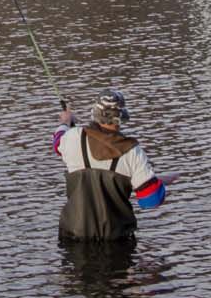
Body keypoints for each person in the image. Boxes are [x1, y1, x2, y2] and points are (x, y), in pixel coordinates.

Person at [51, 89, 166, 241]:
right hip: (116, 242)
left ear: (95, 113)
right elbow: (150, 200)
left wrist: (66, 121)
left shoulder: (73, 137)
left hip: (73, 238)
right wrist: (159, 183)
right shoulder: (132, 152)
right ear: (122, 118)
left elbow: (57, 143)